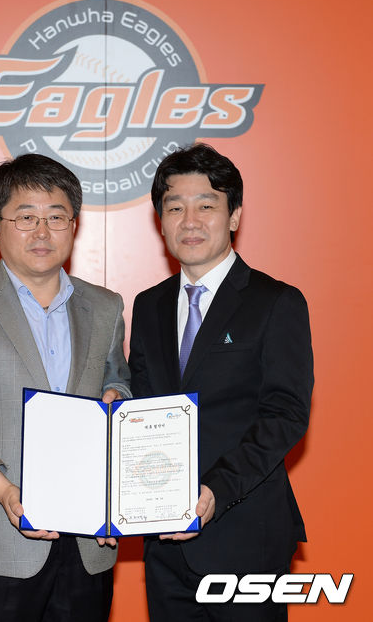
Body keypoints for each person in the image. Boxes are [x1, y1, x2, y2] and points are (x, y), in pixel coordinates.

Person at [0, 153, 131, 622]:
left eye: (56, 217)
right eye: (26, 217)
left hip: (88, 545)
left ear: (74, 225)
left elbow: (118, 379)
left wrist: (120, 400)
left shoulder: (106, 306)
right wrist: (4, 489)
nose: (42, 232)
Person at [129, 143, 314, 621]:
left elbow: (285, 415)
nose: (190, 221)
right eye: (175, 207)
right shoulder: (148, 305)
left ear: (234, 216)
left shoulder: (276, 302)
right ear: (160, 221)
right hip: (164, 543)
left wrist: (215, 490)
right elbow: (142, 406)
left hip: (245, 535)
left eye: (206, 206)